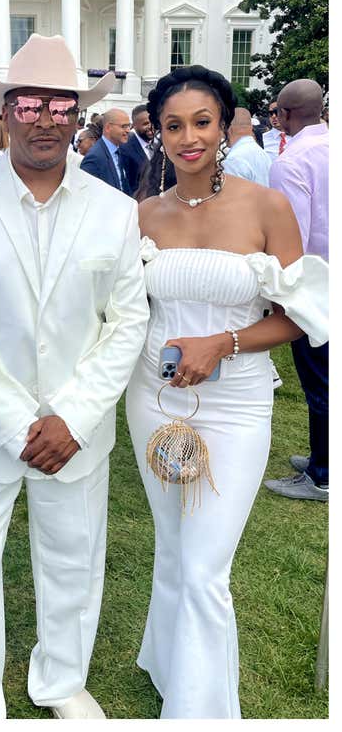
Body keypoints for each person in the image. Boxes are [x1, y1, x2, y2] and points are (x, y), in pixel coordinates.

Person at [0, 33, 149, 719]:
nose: (45, 116)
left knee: (73, 564)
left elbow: (125, 323)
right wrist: (19, 422)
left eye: (59, 103)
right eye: (29, 102)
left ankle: (59, 681)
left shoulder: (112, 209)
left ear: (75, 114)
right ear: (6, 111)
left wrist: (71, 418)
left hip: (75, 433)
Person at [123, 64, 328, 719]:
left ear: (225, 125)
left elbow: (302, 313)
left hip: (236, 403)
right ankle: (166, 662)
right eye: (173, 125)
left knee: (207, 565)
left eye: (201, 122)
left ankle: (199, 713)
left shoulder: (264, 205)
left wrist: (226, 342)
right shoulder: (143, 214)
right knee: (172, 542)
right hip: (152, 400)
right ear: (157, 133)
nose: (188, 137)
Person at [264, 78, 329, 502]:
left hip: (315, 288)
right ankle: (324, 457)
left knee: (320, 381)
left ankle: (322, 474)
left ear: (284, 115)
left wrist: (277, 299)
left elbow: (292, 241)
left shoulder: (292, 162)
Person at [79, 109, 131, 192]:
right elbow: (86, 193)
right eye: (124, 126)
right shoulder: (95, 157)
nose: (128, 130)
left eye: (129, 126)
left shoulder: (119, 151)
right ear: (108, 128)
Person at [223, 107, 273, 186]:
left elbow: (234, 196)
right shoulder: (262, 153)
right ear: (251, 127)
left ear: (229, 128)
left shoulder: (233, 159)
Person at [119, 104, 155, 196]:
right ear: (134, 126)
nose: (151, 126)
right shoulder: (125, 149)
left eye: (153, 122)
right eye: (146, 123)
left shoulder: (159, 143)